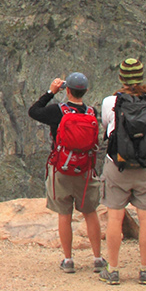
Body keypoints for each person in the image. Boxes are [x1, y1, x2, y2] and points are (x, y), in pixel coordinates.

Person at [96, 58, 146, 285]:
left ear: (122, 78)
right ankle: (145, 270)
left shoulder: (111, 101)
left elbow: (108, 128)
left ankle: (113, 270)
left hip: (118, 165)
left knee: (115, 217)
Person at [28, 72, 105, 274]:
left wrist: (50, 92)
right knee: (90, 212)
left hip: (62, 168)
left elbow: (34, 111)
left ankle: (68, 260)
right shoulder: (91, 112)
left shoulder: (57, 111)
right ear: (85, 91)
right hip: (85, 169)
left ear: (67, 90)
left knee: (65, 213)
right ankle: (97, 258)